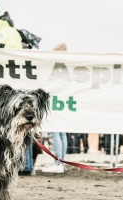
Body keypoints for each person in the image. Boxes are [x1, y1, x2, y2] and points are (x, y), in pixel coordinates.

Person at [42, 43, 69, 173]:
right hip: (63, 101)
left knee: (55, 132)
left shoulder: (56, 67)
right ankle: (61, 162)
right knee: (61, 132)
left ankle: (58, 163)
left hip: (55, 101)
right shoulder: (66, 66)